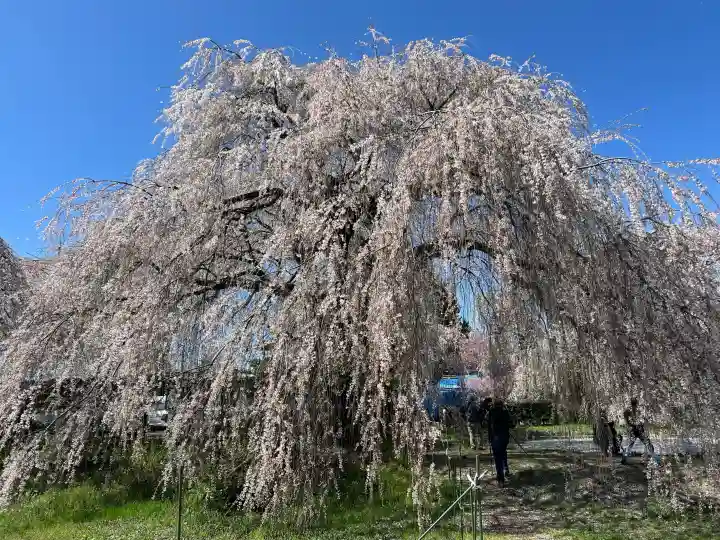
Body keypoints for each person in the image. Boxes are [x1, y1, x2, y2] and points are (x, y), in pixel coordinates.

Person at [487, 397, 513, 486]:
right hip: (504, 438)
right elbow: (511, 424)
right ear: (502, 405)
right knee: (503, 453)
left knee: (497, 458)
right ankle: (506, 470)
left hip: (496, 438)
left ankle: (500, 480)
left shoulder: (491, 413)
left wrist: (490, 438)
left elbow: (489, 426)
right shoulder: (505, 412)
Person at [622, 397, 654, 464]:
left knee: (632, 444)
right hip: (635, 429)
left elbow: (628, 420)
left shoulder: (632, 411)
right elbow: (628, 420)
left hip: (636, 429)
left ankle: (624, 458)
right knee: (645, 443)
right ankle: (653, 457)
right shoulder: (631, 411)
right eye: (635, 402)